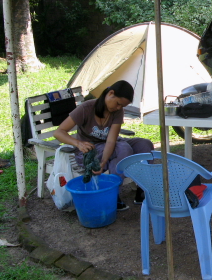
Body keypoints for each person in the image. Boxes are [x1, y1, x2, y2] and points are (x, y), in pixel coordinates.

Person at [54, 80, 153, 210]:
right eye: (118, 104)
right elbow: (59, 132)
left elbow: (111, 140)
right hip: (91, 150)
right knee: (123, 149)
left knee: (145, 145)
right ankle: (113, 195)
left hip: (112, 144)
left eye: (122, 106)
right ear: (110, 93)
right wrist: (78, 143)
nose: (119, 108)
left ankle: (142, 190)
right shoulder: (86, 108)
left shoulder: (118, 111)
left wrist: (104, 161)